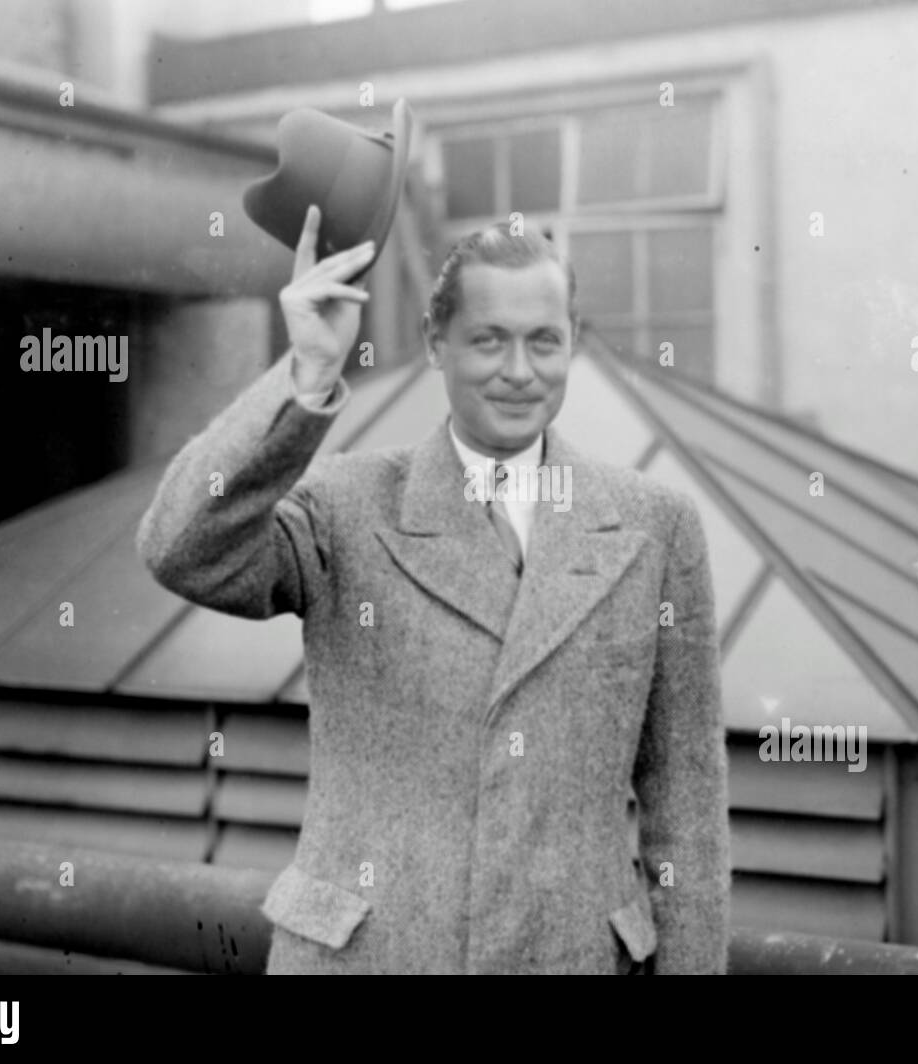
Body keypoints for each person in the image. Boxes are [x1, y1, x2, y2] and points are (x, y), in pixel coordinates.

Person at [136, 205, 730, 974]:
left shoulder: (656, 526)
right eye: (487, 340)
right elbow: (182, 549)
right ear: (434, 343)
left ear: (573, 344)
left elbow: (686, 804)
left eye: (543, 341)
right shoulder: (346, 505)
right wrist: (306, 373)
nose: (519, 371)